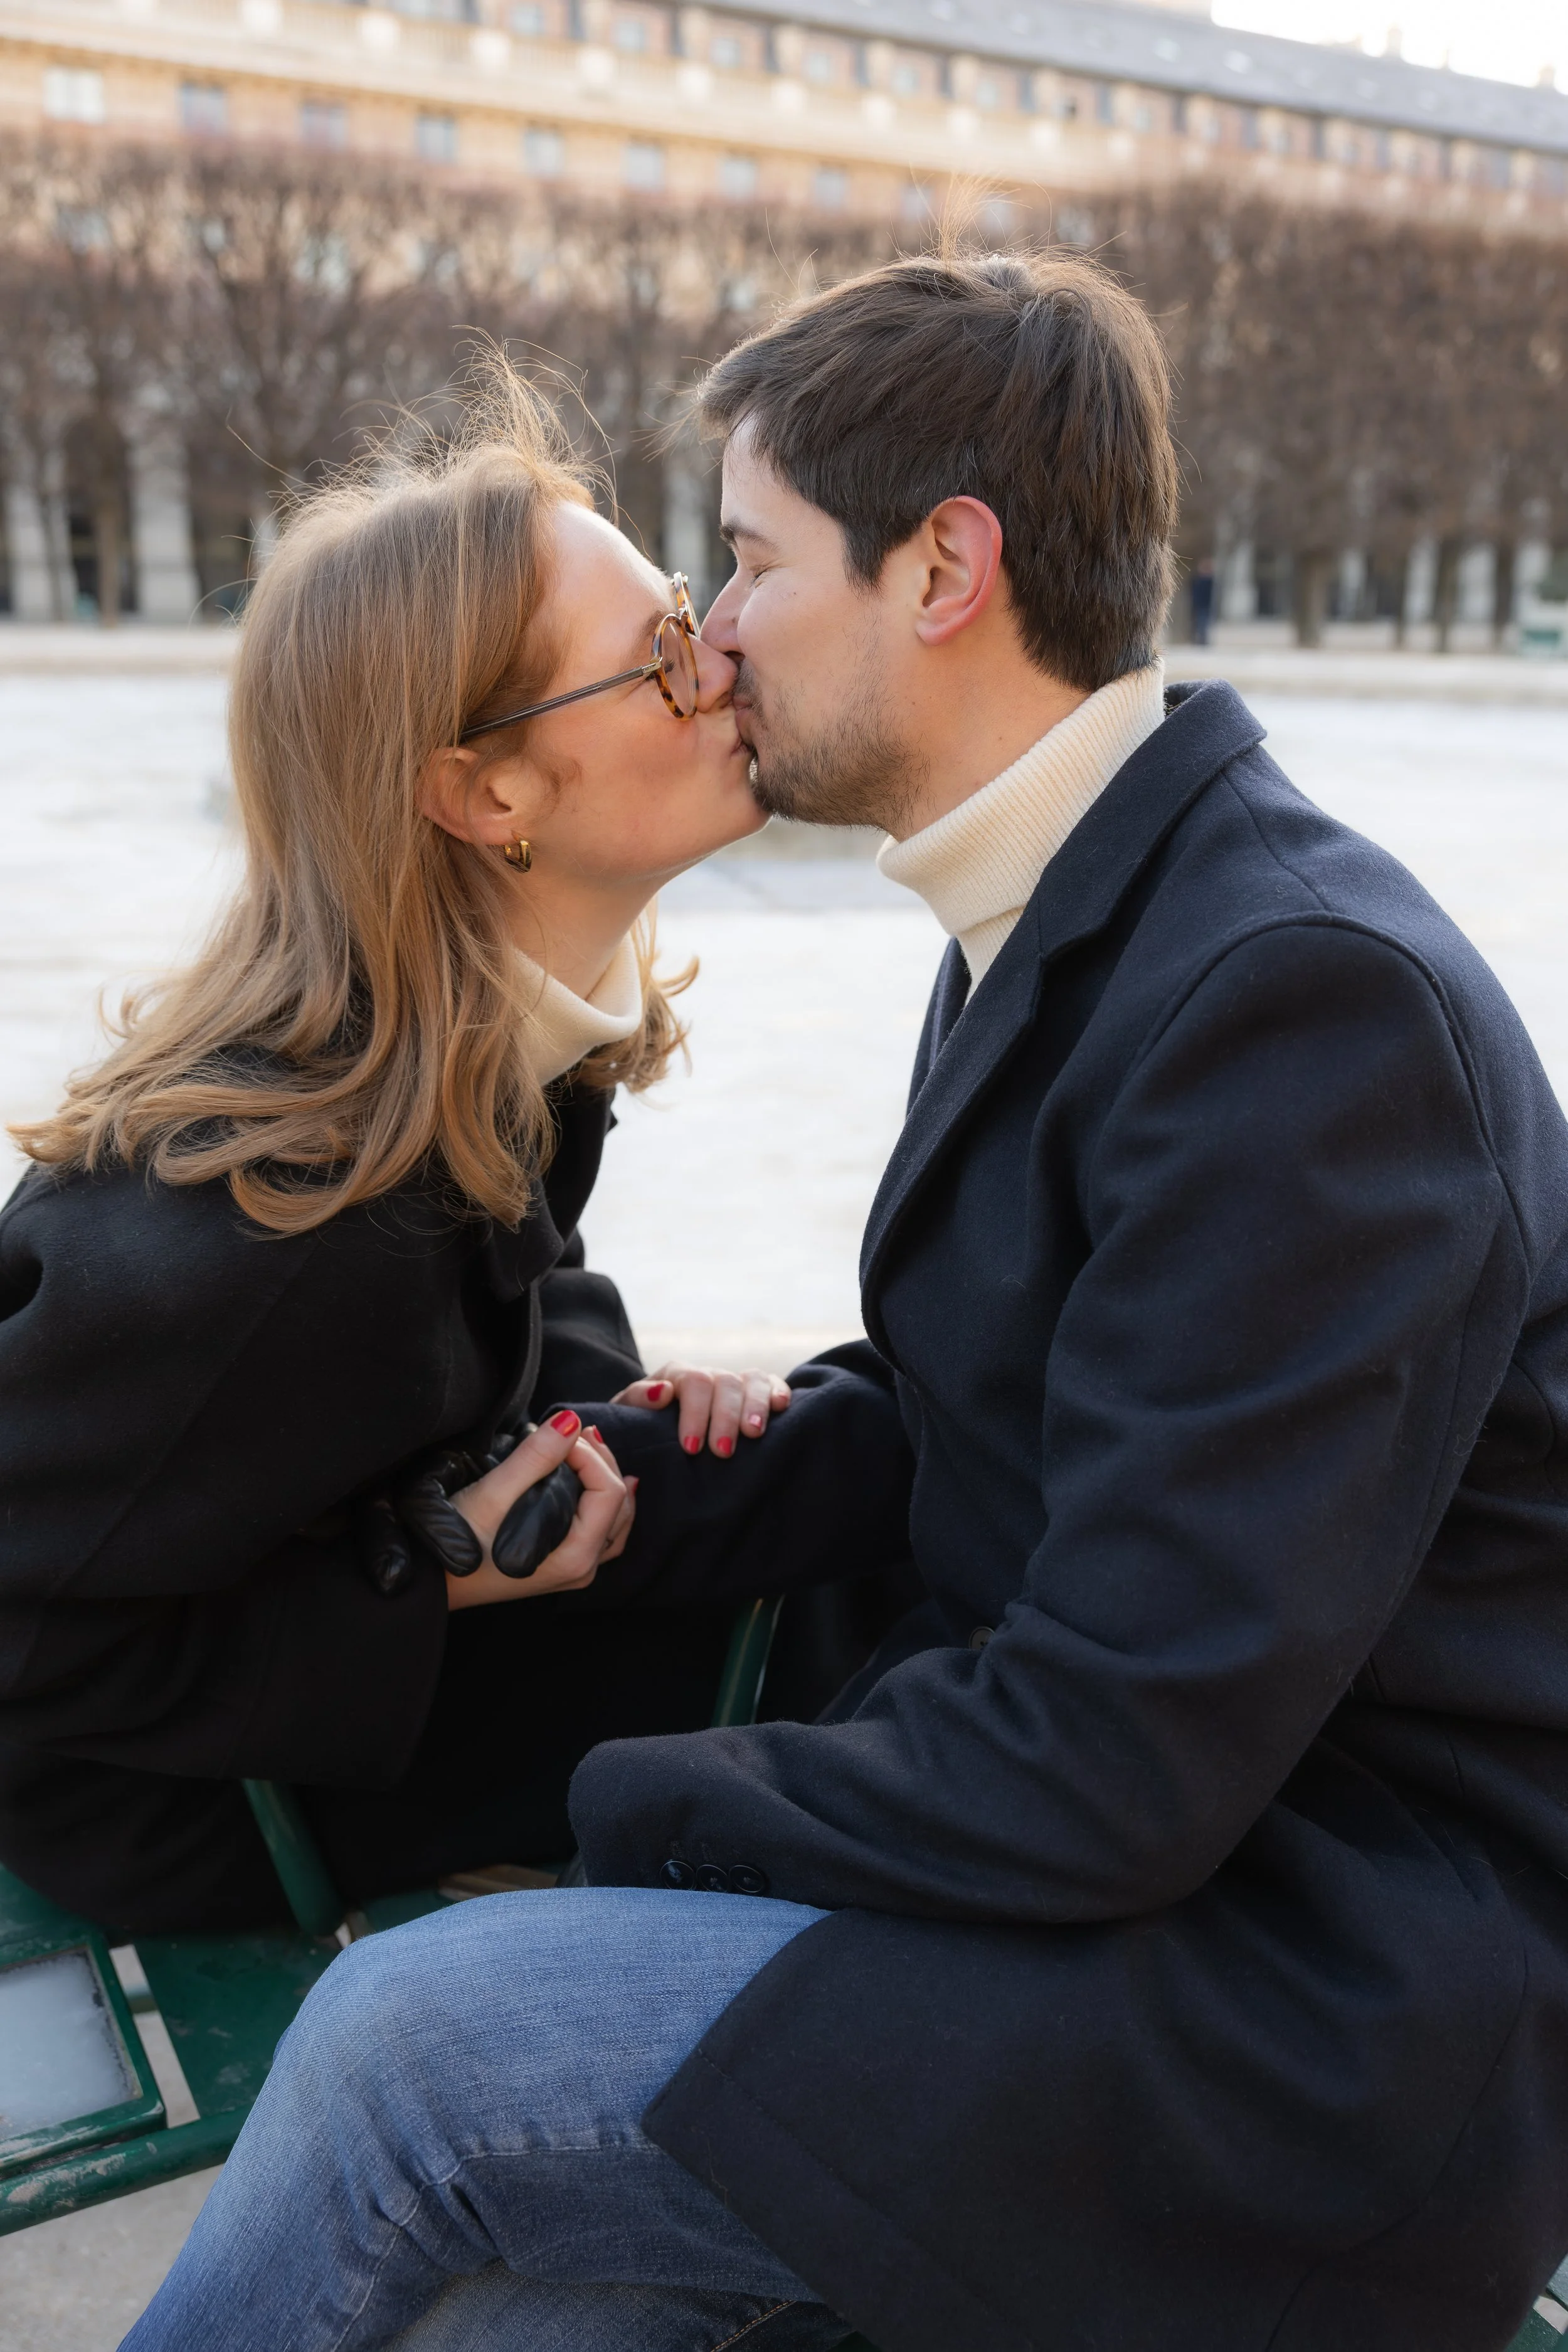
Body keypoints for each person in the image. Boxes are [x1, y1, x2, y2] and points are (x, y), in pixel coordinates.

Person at [124, 250, 1568, 2352]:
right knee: (515, 2325)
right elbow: (1033, 1420)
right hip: (1151, 1902)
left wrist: (629, 1822)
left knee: (406, 2044)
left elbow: (1113, 1749)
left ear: (944, 566)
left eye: (746, 558)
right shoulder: (1085, 905)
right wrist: (687, 1474)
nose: (710, 636)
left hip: (1314, 2010)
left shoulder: (1301, 1004)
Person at [0, 366, 819, 1937]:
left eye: (689, 606)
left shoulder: (464, 1053)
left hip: (326, 1674)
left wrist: (603, 1407)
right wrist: (420, 1583)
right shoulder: (273, 1243)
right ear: (482, 791)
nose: (718, 648)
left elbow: (514, 1291)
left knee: (813, 1512)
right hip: (200, 1796)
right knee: (833, 1634)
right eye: (655, 651)